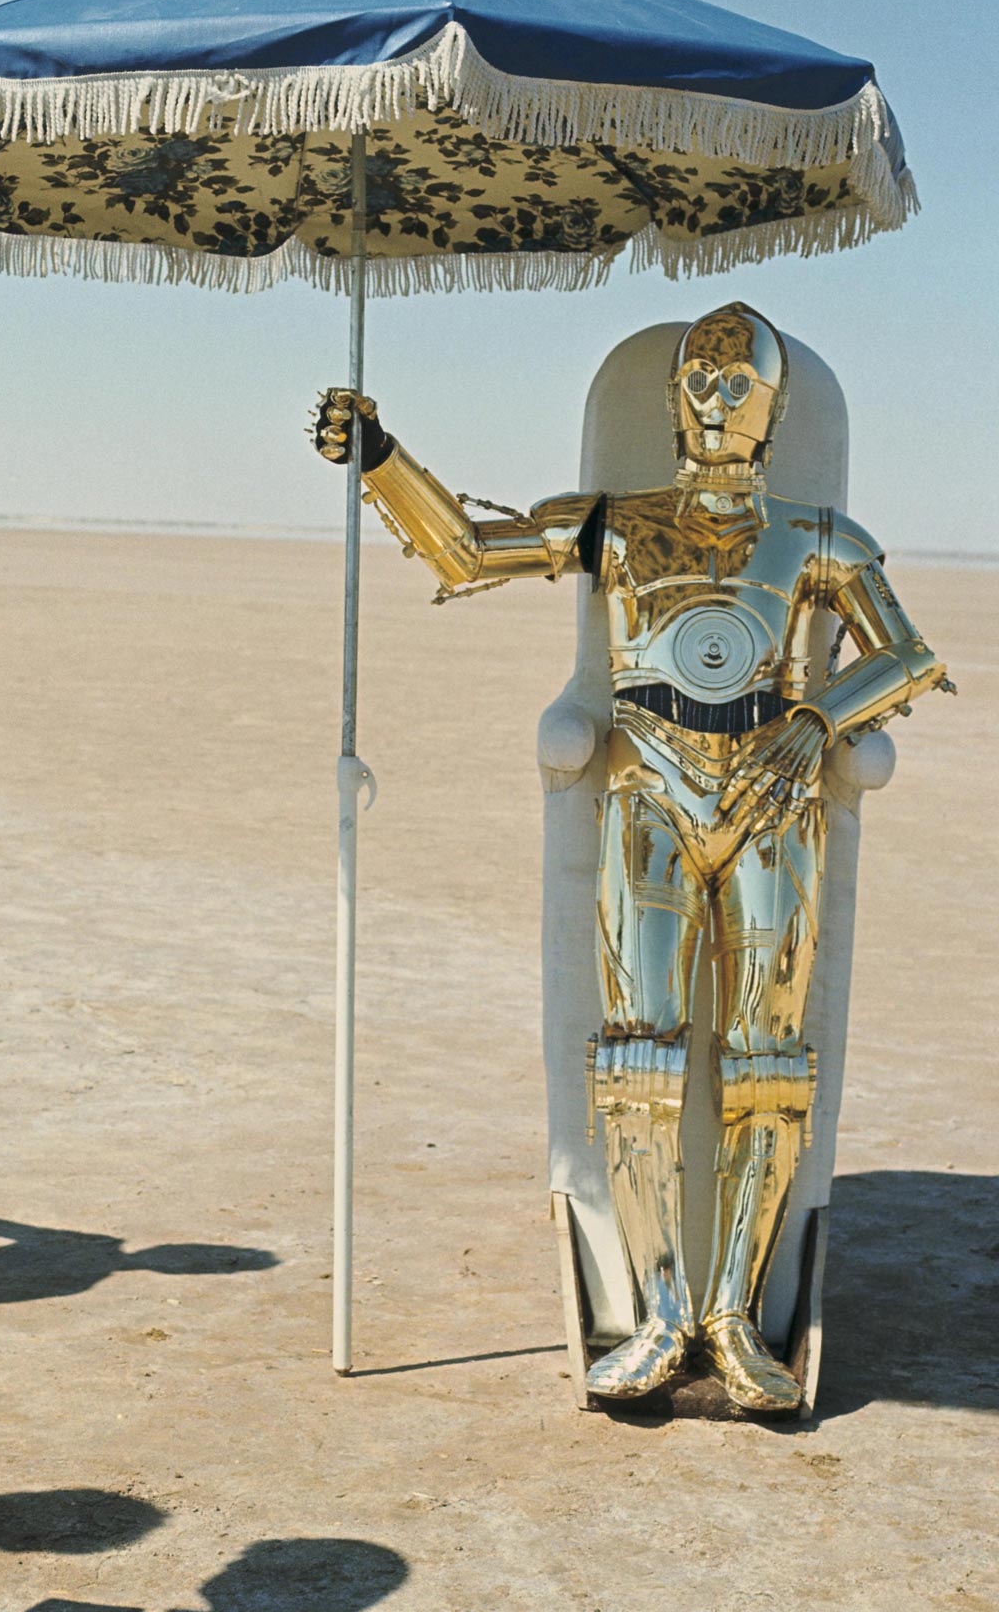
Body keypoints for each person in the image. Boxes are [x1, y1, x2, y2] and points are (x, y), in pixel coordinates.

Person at [309, 304, 952, 1412]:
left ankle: (737, 1319)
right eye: (697, 379)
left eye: (734, 380)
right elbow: (467, 549)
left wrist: (819, 717)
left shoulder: (817, 534)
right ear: (669, 402)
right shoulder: (615, 524)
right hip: (647, 789)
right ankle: (659, 1310)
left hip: (770, 792)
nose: (712, 398)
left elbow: (910, 651)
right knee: (637, 1057)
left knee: (767, 1063)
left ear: (771, 404)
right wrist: (380, 458)